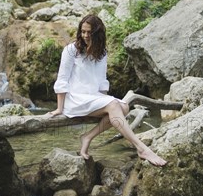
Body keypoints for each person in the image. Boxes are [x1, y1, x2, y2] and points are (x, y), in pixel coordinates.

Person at [48, 14, 167, 167]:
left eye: (89, 32)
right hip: (75, 98)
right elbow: (62, 79)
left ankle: (88, 137)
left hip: (92, 97)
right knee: (114, 106)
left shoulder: (101, 53)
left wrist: (103, 102)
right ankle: (142, 148)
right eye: (83, 31)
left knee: (123, 107)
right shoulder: (71, 50)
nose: (85, 35)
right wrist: (59, 108)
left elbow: (102, 81)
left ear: (97, 34)